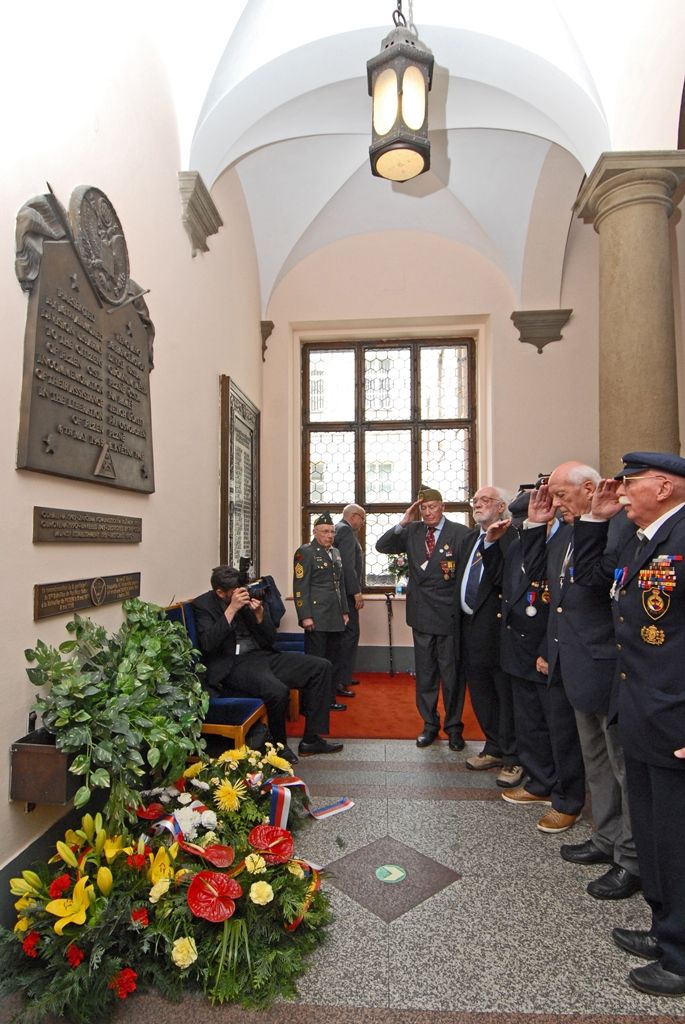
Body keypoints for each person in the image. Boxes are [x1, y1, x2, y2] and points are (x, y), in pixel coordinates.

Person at [572, 452, 685, 996]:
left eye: (630, 484)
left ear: (664, 486)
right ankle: (666, 931)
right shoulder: (643, 541)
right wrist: (594, 521)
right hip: (639, 709)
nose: (621, 492)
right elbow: (594, 582)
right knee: (657, 836)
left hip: (674, 720)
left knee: (676, 837)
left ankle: (681, 955)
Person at [522, 461, 640, 889]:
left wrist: (593, 523)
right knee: (595, 762)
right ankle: (606, 837)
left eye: (561, 496)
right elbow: (543, 580)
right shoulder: (570, 531)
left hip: (606, 664)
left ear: (589, 489)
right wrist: (536, 526)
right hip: (574, 663)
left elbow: (591, 584)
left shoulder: (619, 529)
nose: (554, 503)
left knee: (621, 764)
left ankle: (631, 855)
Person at [483, 489, 586, 826]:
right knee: (529, 724)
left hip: (546, 647)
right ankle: (540, 782)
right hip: (518, 647)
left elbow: (561, 603)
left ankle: (565, 795)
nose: (520, 523)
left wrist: (546, 649)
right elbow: (503, 582)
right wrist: (491, 546)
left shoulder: (569, 538)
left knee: (558, 728)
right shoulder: (519, 543)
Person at [193, 565, 343, 761]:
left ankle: (311, 739)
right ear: (220, 592)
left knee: (321, 667)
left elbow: (270, 638)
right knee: (277, 691)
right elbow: (208, 644)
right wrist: (231, 610)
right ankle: (278, 747)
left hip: (262, 655)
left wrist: (260, 616)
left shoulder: (245, 598)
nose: (240, 594)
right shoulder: (203, 605)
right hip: (233, 664)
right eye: (233, 593)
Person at [376, 486, 470, 749]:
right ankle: (429, 725)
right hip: (421, 615)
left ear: (443, 506)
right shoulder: (412, 531)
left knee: (452, 677)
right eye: (423, 508)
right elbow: (382, 546)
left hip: (450, 617)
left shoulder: (460, 533)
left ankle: (454, 728)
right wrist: (402, 522)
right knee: (426, 675)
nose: (428, 512)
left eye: (432, 507)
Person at [453, 486, 521, 786]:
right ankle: (493, 746)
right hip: (469, 627)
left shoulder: (512, 538)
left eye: (485, 501)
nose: (477, 505)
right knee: (481, 694)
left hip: (498, 630)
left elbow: (503, 579)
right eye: (475, 501)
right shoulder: (470, 539)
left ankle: (513, 757)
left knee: (504, 696)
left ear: (501, 506)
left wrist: (493, 543)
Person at [293, 512, 350, 707]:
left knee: (334, 660)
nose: (330, 535)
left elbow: (339, 585)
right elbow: (300, 586)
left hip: (335, 616)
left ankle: (329, 700)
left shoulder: (335, 552)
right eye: (325, 531)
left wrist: (344, 611)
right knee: (317, 662)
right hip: (316, 617)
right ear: (315, 532)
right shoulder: (306, 552)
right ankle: (311, 703)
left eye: (332, 532)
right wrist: (305, 616)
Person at [334, 504, 366, 691]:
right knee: (349, 635)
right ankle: (340, 680)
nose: (362, 523)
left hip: (341, 594)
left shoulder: (339, 529)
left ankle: (343, 677)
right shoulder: (345, 531)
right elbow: (347, 566)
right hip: (346, 594)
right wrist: (356, 592)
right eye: (362, 519)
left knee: (345, 635)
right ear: (354, 516)